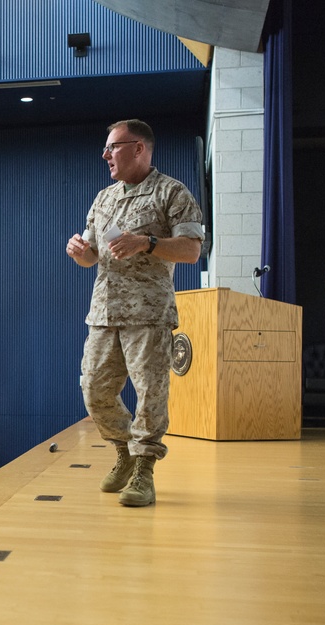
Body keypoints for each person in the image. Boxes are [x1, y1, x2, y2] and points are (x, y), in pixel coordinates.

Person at [66, 119, 204, 508]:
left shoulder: (171, 192)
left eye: (113, 146)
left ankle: (144, 469)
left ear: (139, 147)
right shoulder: (103, 198)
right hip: (104, 313)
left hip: (148, 312)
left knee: (150, 394)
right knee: (93, 390)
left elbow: (192, 251)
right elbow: (92, 257)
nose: (106, 154)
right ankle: (124, 452)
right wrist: (80, 252)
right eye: (107, 147)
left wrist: (147, 242)